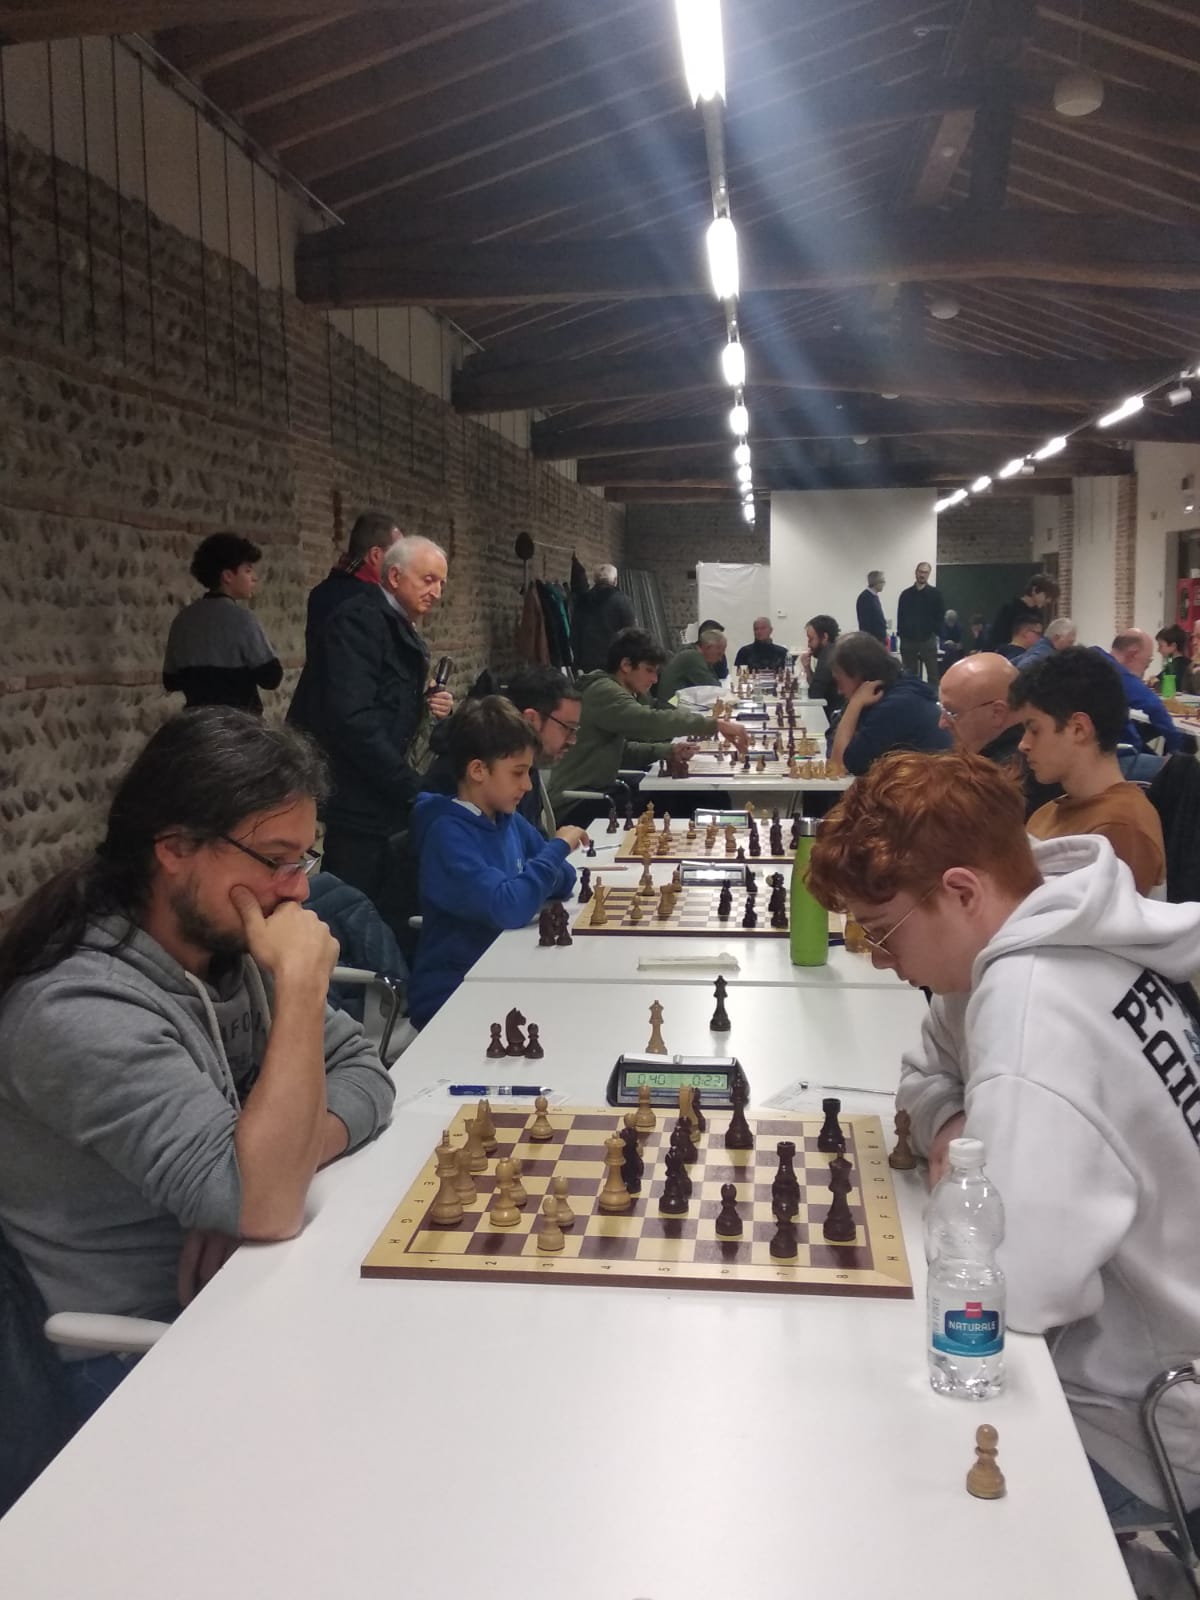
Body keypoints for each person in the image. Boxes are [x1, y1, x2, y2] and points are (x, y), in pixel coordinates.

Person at [803, 748, 1200, 1540]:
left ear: (961, 891)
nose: (879, 959)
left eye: (883, 932)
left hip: (1141, 1429)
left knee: (843, 1479)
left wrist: (967, 1161)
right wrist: (956, 1125)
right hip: (1144, 1359)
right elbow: (923, 1066)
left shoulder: (1032, 1011)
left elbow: (1011, 1292)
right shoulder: (1039, 917)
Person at [0, 708, 396, 1415]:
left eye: (304, 859)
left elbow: (366, 1071)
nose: (298, 889)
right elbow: (265, 1205)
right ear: (176, 847)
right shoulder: (76, 1008)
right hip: (131, 1352)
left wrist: (259, 1168)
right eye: (275, 859)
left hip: (251, 1286)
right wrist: (301, 990)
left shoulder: (227, 954)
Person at [288, 535, 453, 902]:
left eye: (441, 583)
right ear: (394, 577)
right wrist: (408, 784)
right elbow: (350, 716)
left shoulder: (394, 623)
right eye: (428, 580)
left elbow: (387, 699)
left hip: (382, 793)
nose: (437, 592)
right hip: (358, 794)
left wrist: (428, 703)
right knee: (354, 901)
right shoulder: (359, 621)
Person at [407, 697, 584, 1028]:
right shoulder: (447, 835)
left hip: (504, 970)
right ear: (478, 770)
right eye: (518, 773)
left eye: (529, 772)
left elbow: (565, 878)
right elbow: (509, 907)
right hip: (453, 993)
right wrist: (557, 846)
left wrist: (536, 872)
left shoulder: (506, 819)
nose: (527, 785)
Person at [546, 628, 749, 815]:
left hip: (600, 790)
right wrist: (714, 724)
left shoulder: (616, 690)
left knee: (704, 795)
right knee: (695, 799)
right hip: (578, 803)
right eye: (649, 670)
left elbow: (622, 751)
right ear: (626, 665)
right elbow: (649, 721)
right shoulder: (604, 691)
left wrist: (668, 750)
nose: (654, 679)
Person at [1011, 647, 1165, 894]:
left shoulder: (1121, 827)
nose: (1024, 744)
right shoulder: (1047, 812)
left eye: (1035, 730)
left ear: (1079, 729)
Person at [423, 667, 581, 838]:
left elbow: (533, 842)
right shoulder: (460, 783)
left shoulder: (524, 765)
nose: (572, 740)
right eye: (568, 728)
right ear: (531, 719)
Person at [162, 532, 282, 713]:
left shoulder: (182, 620)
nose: (254, 577)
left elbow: (170, 680)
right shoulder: (242, 620)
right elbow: (271, 678)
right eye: (248, 571)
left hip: (197, 722)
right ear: (227, 576)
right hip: (239, 723)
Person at [938, 653, 1059, 817]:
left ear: (997, 713)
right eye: (942, 709)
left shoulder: (1006, 781)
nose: (942, 723)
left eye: (952, 713)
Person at [827, 630, 951, 776]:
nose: (839, 690)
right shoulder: (891, 690)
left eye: (839, 681)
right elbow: (832, 744)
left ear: (859, 674)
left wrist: (854, 704)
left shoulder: (896, 706)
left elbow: (839, 764)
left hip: (930, 786)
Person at [304, 509, 398, 655]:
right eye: (398, 555)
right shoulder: (374, 601)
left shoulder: (321, 592)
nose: (404, 564)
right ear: (376, 555)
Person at [1102, 630, 1184, 755]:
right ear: (1132, 655)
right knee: (1184, 765)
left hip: (1092, 750)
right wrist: (1176, 747)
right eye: (1147, 663)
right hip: (1119, 753)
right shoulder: (1120, 676)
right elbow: (1155, 707)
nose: (1145, 670)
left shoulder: (1092, 660)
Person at [572, 563, 635, 672]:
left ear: (595, 580)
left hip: (586, 661)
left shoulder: (582, 600)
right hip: (613, 662)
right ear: (615, 580)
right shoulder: (622, 601)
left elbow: (574, 632)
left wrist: (577, 660)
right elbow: (630, 634)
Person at [896, 561, 945, 685]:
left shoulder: (936, 594)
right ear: (916, 572)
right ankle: (912, 696)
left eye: (925, 572)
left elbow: (940, 615)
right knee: (909, 675)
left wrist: (935, 632)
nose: (922, 575)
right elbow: (900, 616)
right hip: (908, 640)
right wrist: (902, 635)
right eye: (920, 572)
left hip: (928, 639)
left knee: (933, 675)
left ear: (929, 574)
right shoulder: (906, 595)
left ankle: (933, 697)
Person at [990, 572, 1060, 651]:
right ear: (1034, 590)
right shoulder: (1009, 609)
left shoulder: (1038, 615)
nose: (1048, 601)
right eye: (1047, 596)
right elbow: (996, 638)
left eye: (1051, 598)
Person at [655, 629, 727, 704]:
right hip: (671, 706)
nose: (720, 659)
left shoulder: (693, 654)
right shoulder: (692, 657)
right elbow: (714, 688)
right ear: (707, 647)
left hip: (676, 702)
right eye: (719, 654)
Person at [801, 615, 843, 717]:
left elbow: (814, 694)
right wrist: (807, 668)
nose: (808, 644)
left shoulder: (828, 654)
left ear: (824, 637)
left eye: (811, 639)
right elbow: (817, 686)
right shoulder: (834, 649)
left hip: (833, 714)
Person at [1154, 624, 1197, 696]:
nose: (1158, 650)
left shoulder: (1178, 666)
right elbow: (1158, 678)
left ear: (1173, 646)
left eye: (1160, 646)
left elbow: (1165, 687)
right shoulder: (1171, 662)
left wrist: (1155, 682)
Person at [855, 570, 887, 644]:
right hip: (872, 642)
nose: (884, 584)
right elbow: (865, 624)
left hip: (878, 640)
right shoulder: (865, 598)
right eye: (883, 581)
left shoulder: (874, 597)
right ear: (876, 582)